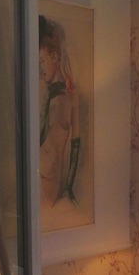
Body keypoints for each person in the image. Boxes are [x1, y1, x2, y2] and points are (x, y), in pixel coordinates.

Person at [39, 15, 82, 206]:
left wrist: (69, 186)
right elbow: (39, 138)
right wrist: (47, 99)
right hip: (38, 174)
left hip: (52, 178)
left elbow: (76, 144)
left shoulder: (72, 95)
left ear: (54, 56)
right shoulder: (42, 94)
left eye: (41, 61)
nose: (39, 69)